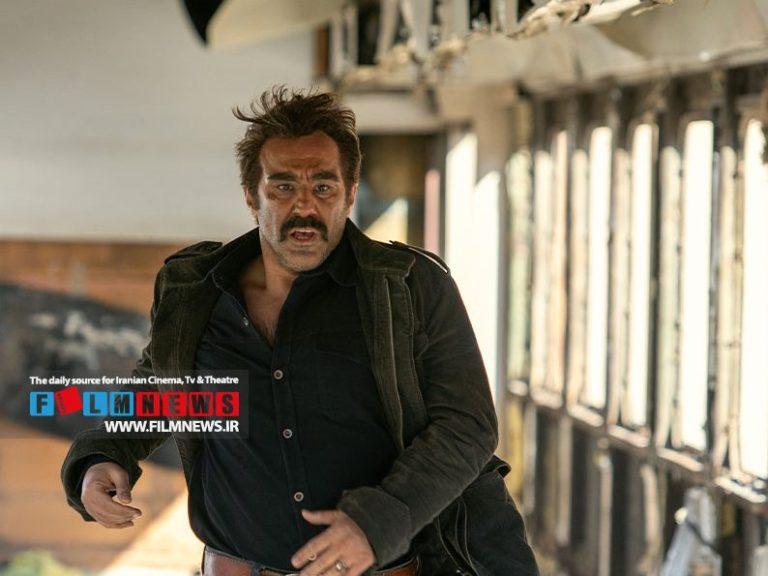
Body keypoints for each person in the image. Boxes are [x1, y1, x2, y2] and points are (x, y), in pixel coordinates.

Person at [60, 86, 499, 576]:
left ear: (351, 193)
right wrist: (104, 455)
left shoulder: (410, 288)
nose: (304, 207)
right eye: (283, 187)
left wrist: (378, 522)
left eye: (324, 187)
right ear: (252, 195)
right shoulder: (195, 291)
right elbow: (161, 388)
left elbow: (468, 427)